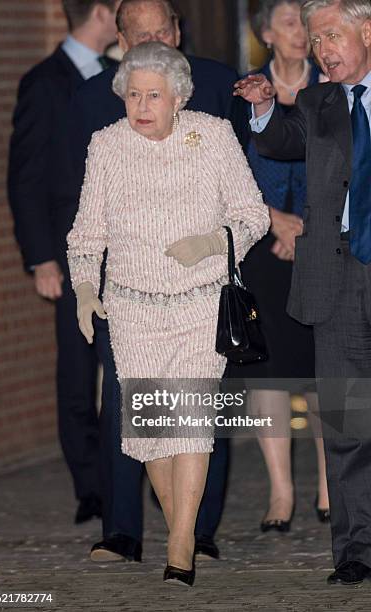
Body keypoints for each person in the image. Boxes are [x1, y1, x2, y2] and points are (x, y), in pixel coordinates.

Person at [67, 41, 269, 586]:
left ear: (179, 97)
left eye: (154, 95)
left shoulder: (213, 135)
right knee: (155, 434)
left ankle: (180, 547)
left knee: (191, 427)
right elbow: (86, 237)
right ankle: (183, 528)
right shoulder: (106, 146)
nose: (142, 105)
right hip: (133, 311)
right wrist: (85, 291)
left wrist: (212, 242)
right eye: (133, 95)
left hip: (201, 305)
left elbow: (253, 216)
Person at [236, 0, 371, 587]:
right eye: (315, 40)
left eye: (332, 35)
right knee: (346, 422)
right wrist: (265, 107)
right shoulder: (318, 101)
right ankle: (355, 552)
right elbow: (282, 140)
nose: (322, 49)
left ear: (368, 30)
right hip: (336, 279)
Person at [7, 0, 120, 524]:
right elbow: (25, 178)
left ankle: (131, 476)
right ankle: (91, 489)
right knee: (78, 371)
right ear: (102, 11)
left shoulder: (124, 77)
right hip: (71, 254)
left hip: (127, 248)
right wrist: (41, 259)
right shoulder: (44, 82)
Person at [233, 0, 329, 533]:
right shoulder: (242, 93)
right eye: (290, 23)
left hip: (323, 248)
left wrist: (306, 229)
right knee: (268, 371)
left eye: (308, 25)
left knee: (320, 369)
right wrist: (274, 222)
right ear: (265, 31)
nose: (302, 34)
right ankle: (280, 492)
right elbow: (228, 173)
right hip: (259, 248)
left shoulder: (333, 88)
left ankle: (327, 484)